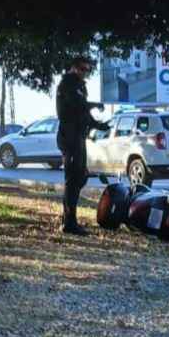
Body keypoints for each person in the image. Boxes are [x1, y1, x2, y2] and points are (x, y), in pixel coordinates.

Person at [56, 58, 108, 235]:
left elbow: (83, 113)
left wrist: (98, 125)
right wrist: (95, 105)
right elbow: (76, 106)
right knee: (72, 179)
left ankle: (70, 219)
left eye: (87, 70)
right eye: (81, 68)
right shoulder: (67, 85)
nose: (84, 72)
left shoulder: (80, 86)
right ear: (73, 67)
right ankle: (68, 223)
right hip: (69, 137)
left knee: (80, 177)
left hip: (78, 137)